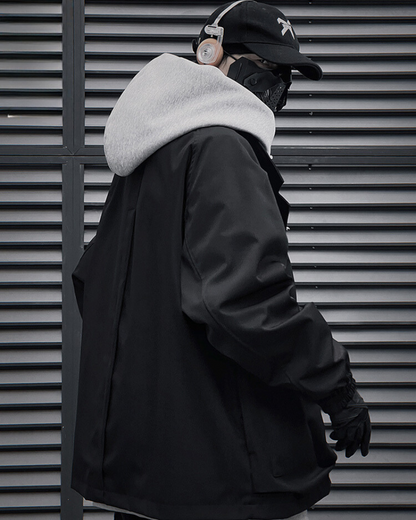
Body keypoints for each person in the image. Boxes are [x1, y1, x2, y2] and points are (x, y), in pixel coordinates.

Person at [71, 2, 371, 520]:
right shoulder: (221, 147)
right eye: (264, 67)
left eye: (285, 77)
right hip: (224, 474)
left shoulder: (152, 156)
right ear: (211, 54)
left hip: (148, 469)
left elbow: (92, 281)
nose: (276, 88)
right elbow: (245, 300)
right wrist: (337, 388)